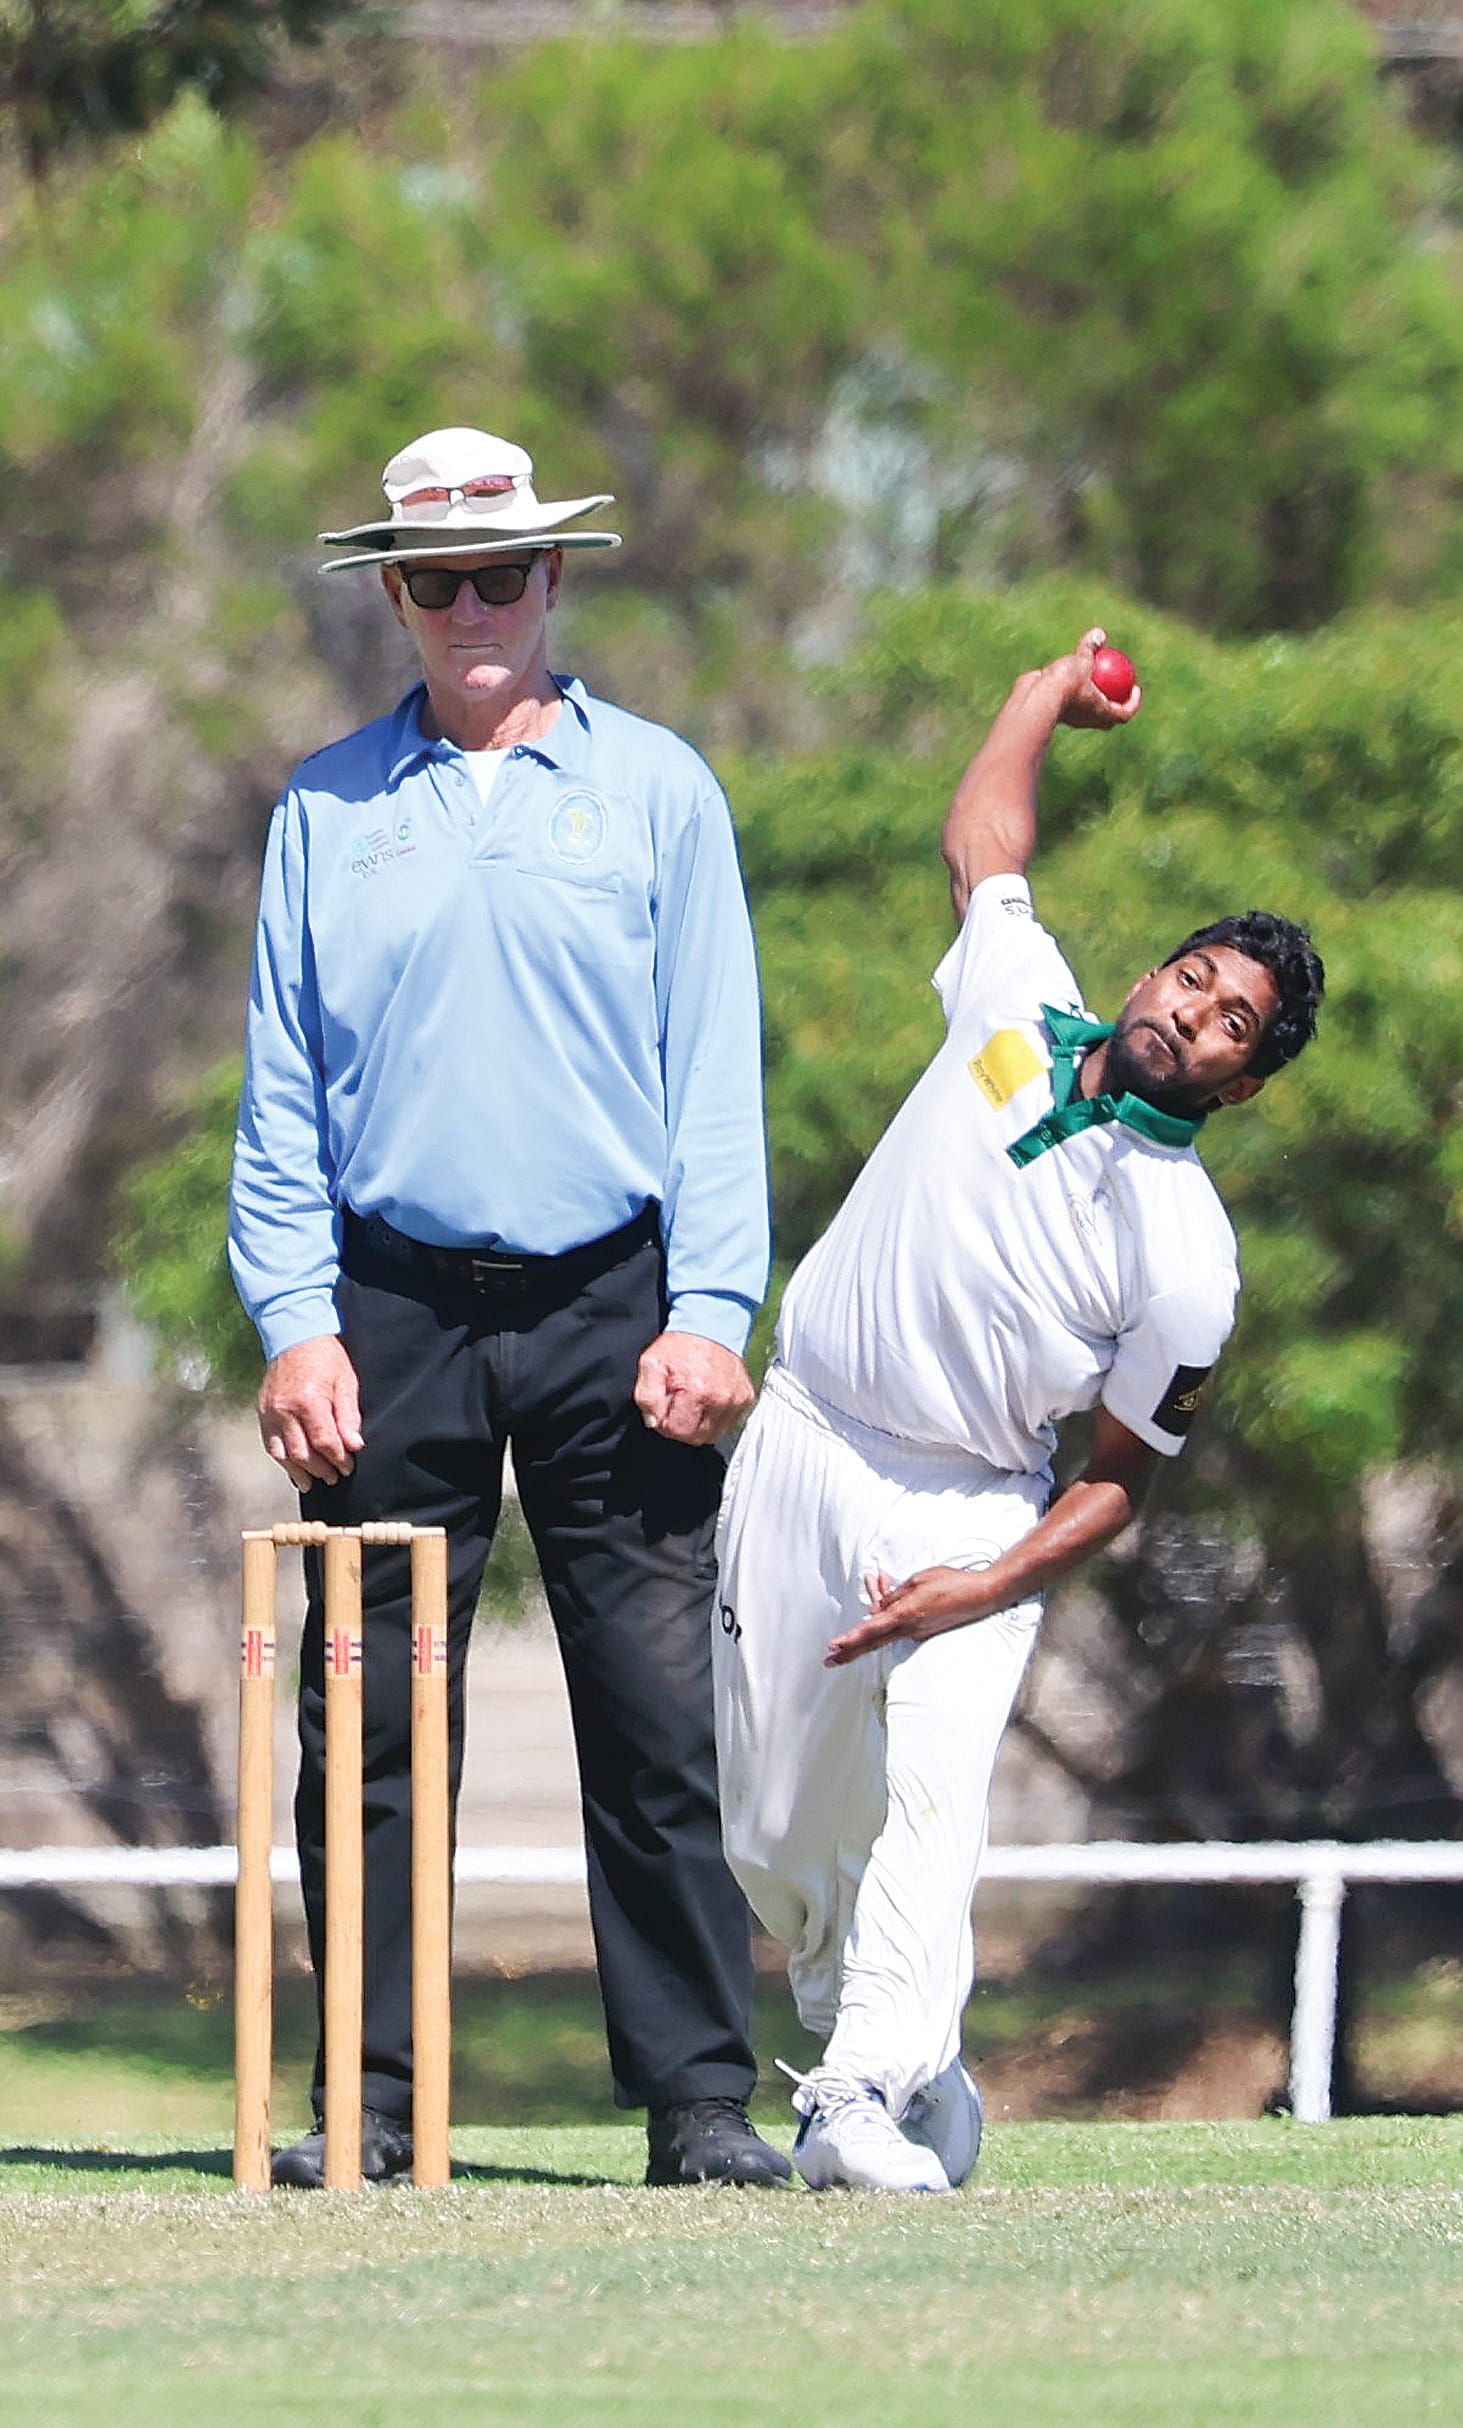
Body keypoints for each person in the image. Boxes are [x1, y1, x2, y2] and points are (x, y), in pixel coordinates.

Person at [230, 425, 789, 2190]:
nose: (471, 605)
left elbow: (714, 1074)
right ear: (392, 594)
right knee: (373, 1726)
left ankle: (701, 2103)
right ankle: (374, 2111)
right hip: (390, 1308)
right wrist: (291, 1319)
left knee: (651, 1712)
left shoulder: (658, 791)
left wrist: (711, 1303)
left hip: (614, 1303)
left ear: (555, 580)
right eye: (435, 578)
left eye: (501, 573)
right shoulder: (322, 810)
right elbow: (279, 1102)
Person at [713, 628, 1324, 2193]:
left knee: (929, 1799)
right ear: (1151, 973)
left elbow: (1120, 1477)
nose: (1197, 1013)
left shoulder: (1189, 1255)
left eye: (1233, 1022)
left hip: (974, 1501)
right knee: (773, 1839)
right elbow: (983, 834)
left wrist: (986, 1581)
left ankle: (855, 2092)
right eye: (1195, 978)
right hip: (802, 1438)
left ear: (1241, 1083)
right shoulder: (1015, 996)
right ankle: (906, 2048)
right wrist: (1044, 694)